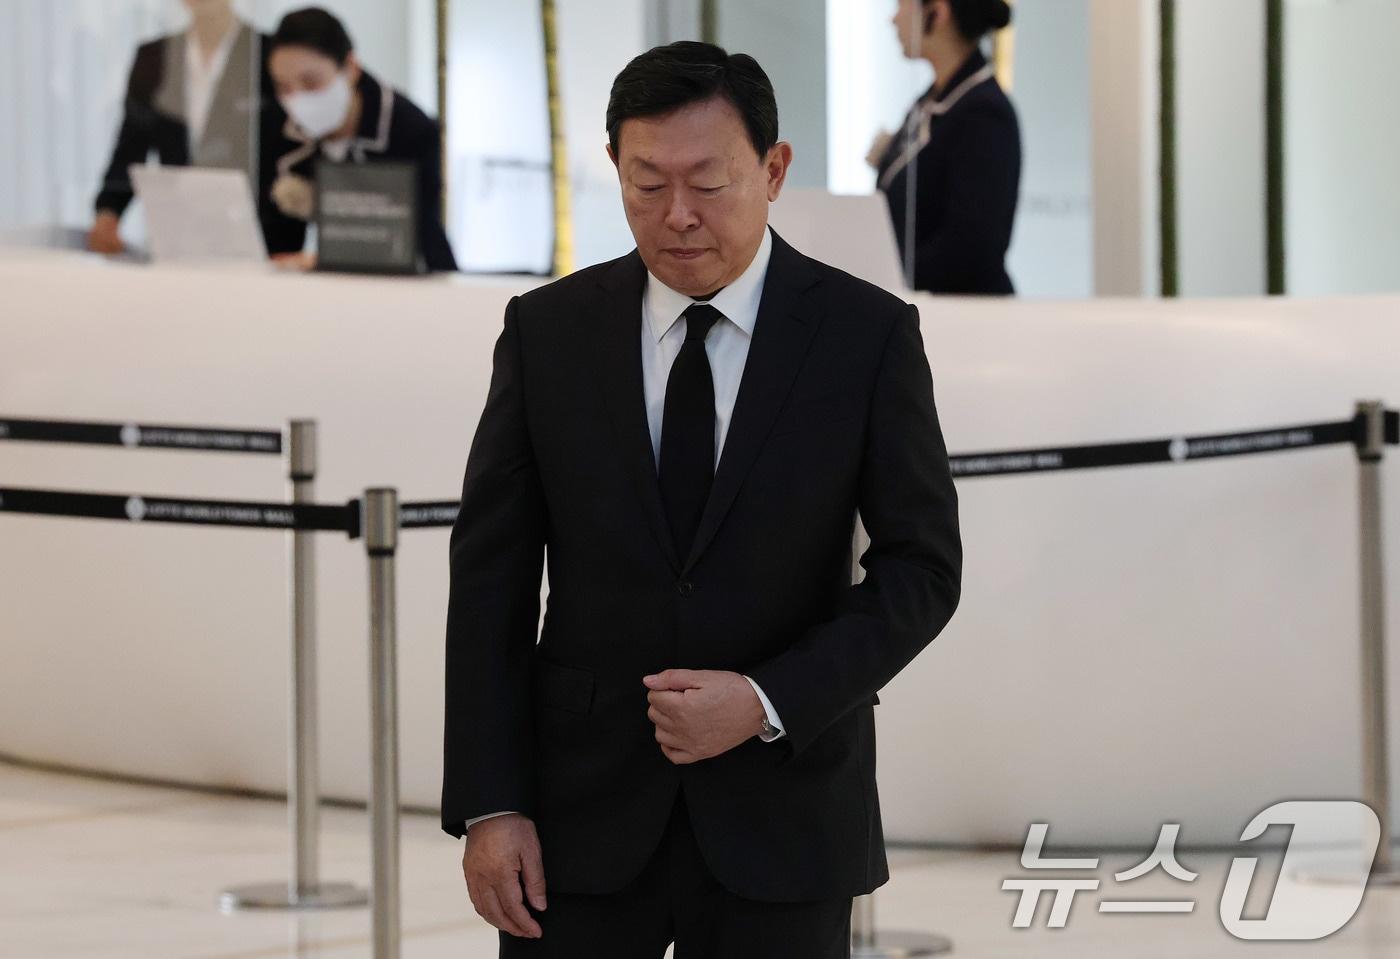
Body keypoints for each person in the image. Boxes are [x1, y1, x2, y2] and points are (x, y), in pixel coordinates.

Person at [442, 40, 962, 958]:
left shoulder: (865, 336)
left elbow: (921, 570)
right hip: (577, 823)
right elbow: (492, 581)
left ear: (773, 170)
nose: (677, 214)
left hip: (785, 818)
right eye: (646, 184)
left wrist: (767, 698)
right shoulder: (548, 333)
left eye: (709, 183)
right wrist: (492, 802)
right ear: (615, 167)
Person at [88, 0, 300, 256]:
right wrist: (109, 212)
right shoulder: (153, 57)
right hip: (180, 238)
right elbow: (130, 148)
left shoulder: (269, 54)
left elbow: (294, 150)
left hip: (263, 242)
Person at [264, 7, 457, 273]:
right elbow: (277, 243)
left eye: (311, 83)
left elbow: (420, 239)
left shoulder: (409, 129)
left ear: (350, 68)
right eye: (284, 88)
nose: (296, 100)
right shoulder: (280, 129)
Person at [872, 0, 1021, 294]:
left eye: (901, 5)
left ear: (937, 12)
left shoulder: (984, 113)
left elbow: (972, 248)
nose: (893, 19)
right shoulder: (931, 103)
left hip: (962, 313)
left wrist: (883, 275)